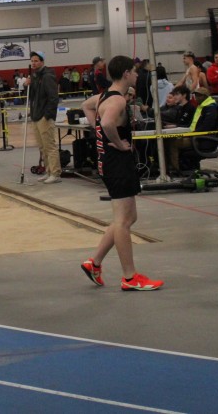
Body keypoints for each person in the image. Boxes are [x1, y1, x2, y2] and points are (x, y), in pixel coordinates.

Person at [80, 55, 163, 291]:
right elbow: (107, 123)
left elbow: (86, 106)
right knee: (123, 221)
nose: (137, 75)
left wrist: (97, 131)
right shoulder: (116, 100)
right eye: (134, 72)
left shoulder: (104, 95)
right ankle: (129, 277)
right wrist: (118, 142)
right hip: (117, 162)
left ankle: (94, 262)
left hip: (109, 161)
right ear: (126, 73)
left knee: (127, 218)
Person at [165, 86, 218, 173]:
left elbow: (206, 127)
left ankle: (176, 169)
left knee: (172, 143)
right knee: (168, 139)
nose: (196, 97)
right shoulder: (201, 107)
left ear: (205, 96)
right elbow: (191, 124)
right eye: (195, 95)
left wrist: (191, 134)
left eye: (199, 95)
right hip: (194, 135)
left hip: (201, 139)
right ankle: (180, 167)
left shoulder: (210, 108)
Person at [28, 52, 61, 184]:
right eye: (32, 61)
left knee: (49, 146)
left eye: (36, 61)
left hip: (44, 117)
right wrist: (28, 85)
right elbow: (31, 96)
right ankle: (48, 171)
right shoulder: (34, 76)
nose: (33, 63)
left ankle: (55, 173)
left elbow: (53, 97)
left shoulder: (47, 76)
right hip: (36, 116)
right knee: (42, 147)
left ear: (42, 62)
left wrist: (47, 115)